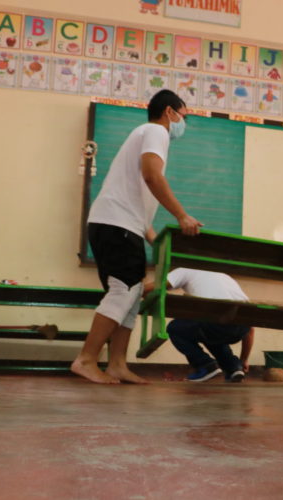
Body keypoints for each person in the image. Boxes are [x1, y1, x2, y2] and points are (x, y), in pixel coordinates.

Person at [71, 89, 203, 384]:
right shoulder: (156, 131)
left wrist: (157, 242)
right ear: (169, 112)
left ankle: (117, 363)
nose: (184, 122)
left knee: (131, 295)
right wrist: (182, 215)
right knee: (123, 290)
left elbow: (141, 208)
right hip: (115, 225)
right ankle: (86, 359)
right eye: (183, 115)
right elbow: (152, 176)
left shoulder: (145, 134)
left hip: (123, 225)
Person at [146, 268, 255, 383]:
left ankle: (206, 366)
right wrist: (244, 360)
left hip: (215, 323)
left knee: (175, 327)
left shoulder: (183, 271)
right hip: (240, 328)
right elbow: (250, 328)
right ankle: (233, 368)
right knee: (208, 331)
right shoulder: (224, 276)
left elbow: (151, 287)